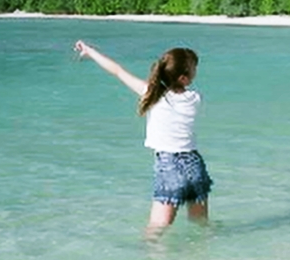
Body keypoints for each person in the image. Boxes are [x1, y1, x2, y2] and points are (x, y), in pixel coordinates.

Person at [74, 41, 212, 236]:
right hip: (193, 163)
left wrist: (90, 52)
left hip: (169, 164)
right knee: (200, 223)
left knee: (158, 227)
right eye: (194, 69)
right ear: (184, 78)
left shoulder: (152, 94)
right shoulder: (195, 98)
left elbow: (118, 71)